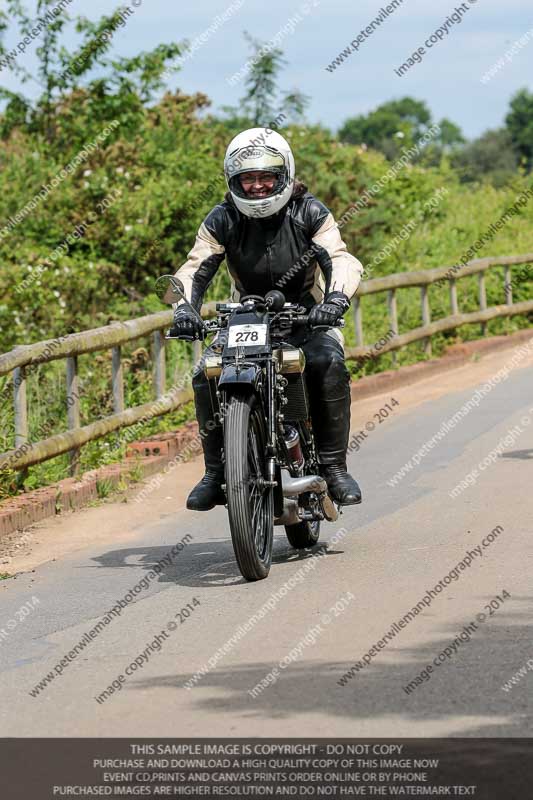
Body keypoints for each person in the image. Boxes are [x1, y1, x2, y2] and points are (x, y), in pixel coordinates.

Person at [170, 127, 364, 511]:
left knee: (328, 362)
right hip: (247, 316)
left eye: (265, 178)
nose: (257, 187)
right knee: (206, 372)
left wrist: (336, 299)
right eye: (248, 179)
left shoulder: (309, 210)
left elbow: (339, 258)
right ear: (234, 181)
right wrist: (184, 309)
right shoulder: (222, 218)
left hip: (307, 316)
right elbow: (194, 268)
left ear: (284, 176)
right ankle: (215, 472)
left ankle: (334, 467)